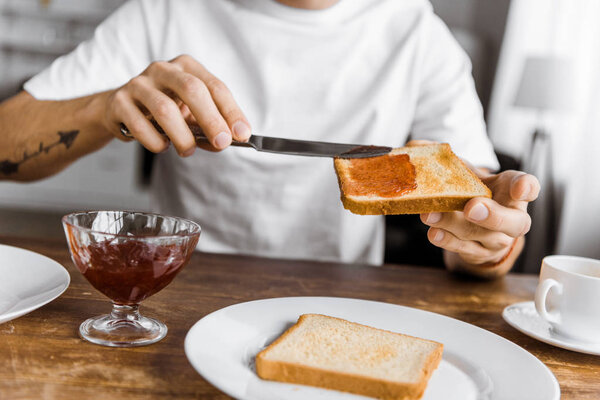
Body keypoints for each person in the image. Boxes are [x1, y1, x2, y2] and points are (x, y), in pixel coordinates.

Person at [0, 0, 539, 278]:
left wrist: (488, 243)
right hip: (180, 291)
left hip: (346, 297)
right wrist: (102, 109)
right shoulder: (168, 9)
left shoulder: (419, 33)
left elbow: (478, 229)